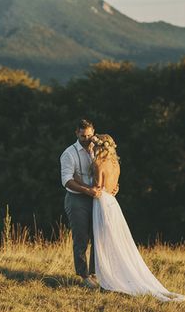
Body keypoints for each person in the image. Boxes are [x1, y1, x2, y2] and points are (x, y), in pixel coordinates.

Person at [86, 133, 185, 302]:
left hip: (101, 202)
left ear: (99, 147)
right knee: (114, 239)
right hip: (113, 203)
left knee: (104, 240)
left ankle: (109, 276)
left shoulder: (99, 163)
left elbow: (98, 187)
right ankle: (115, 272)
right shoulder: (115, 164)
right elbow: (114, 186)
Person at [59, 119, 118, 289]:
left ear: (94, 133)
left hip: (97, 199)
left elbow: (107, 170)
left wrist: (112, 187)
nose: (87, 139)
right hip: (77, 199)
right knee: (81, 238)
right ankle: (83, 275)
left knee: (97, 236)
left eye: (90, 135)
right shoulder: (68, 154)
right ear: (76, 133)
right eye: (83, 135)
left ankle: (94, 273)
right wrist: (87, 190)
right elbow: (67, 180)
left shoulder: (98, 150)